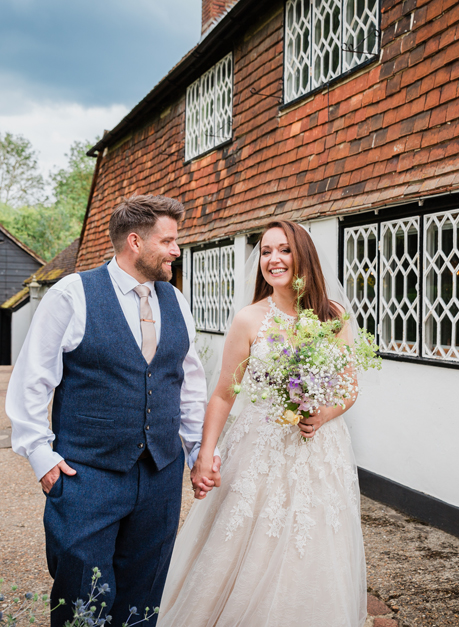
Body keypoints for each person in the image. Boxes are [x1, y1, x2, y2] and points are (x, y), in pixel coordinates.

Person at [5, 195, 221, 627]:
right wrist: (41, 457)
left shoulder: (176, 301)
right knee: (82, 594)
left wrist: (198, 450)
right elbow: (33, 378)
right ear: (135, 242)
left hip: (160, 474)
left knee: (144, 594)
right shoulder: (73, 294)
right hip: (88, 476)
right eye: (169, 241)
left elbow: (188, 383)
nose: (177, 251)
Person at [158, 220, 367, 627]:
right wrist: (206, 454)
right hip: (260, 450)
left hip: (320, 451)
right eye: (267, 251)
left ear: (302, 255)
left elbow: (350, 386)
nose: (274, 259)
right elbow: (223, 393)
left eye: (284, 249)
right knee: (246, 545)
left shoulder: (333, 316)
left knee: (316, 546)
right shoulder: (249, 320)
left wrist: (324, 413)